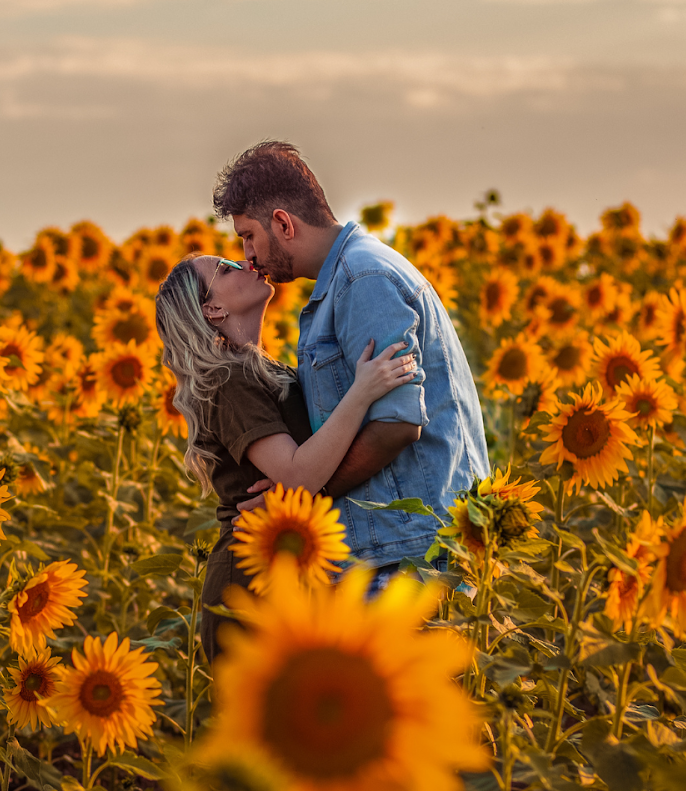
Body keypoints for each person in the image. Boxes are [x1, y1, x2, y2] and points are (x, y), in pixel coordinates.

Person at [214, 141, 490, 586]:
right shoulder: (347, 279)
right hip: (404, 550)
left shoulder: (363, 280)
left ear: (282, 223)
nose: (248, 256)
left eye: (248, 235)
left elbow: (396, 424)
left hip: (412, 557)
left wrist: (302, 498)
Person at [154, 253, 417, 660]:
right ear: (213, 309)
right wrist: (363, 391)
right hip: (249, 585)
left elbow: (302, 470)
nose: (243, 261)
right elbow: (298, 474)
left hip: (282, 571)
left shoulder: (261, 369)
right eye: (225, 269)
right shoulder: (228, 379)